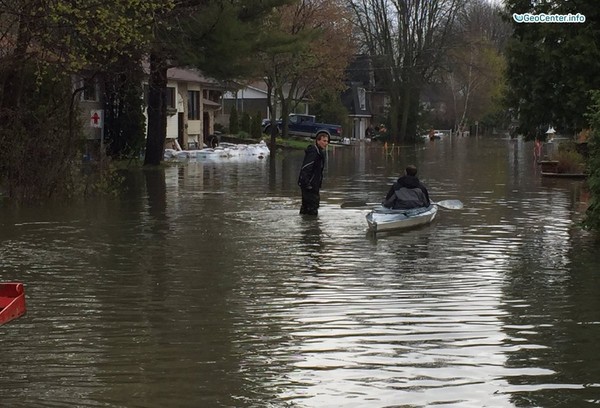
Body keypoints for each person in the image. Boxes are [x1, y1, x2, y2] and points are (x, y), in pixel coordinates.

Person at [297, 133, 329, 215]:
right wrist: (307, 184)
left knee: (305, 208)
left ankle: (305, 225)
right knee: (313, 208)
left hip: (312, 185)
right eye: (324, 141)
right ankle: (313, 227)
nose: (326, 143)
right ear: (318, 141)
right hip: (309, 185)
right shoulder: (314, 152)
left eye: (327, 141)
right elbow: (306, 168)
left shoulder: (319, 153)